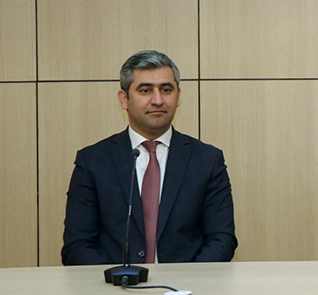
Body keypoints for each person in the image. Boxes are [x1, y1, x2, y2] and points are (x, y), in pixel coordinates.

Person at [62, 50, 237, 265]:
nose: (158, 100)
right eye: (145, 90)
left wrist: (187, 279)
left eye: (166, 90)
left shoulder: (207, 160)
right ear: (124, 99)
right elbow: (77, 245)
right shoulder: (93, 161)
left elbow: (222, 239)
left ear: (178, 96)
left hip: (186, 283)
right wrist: (115, 280)